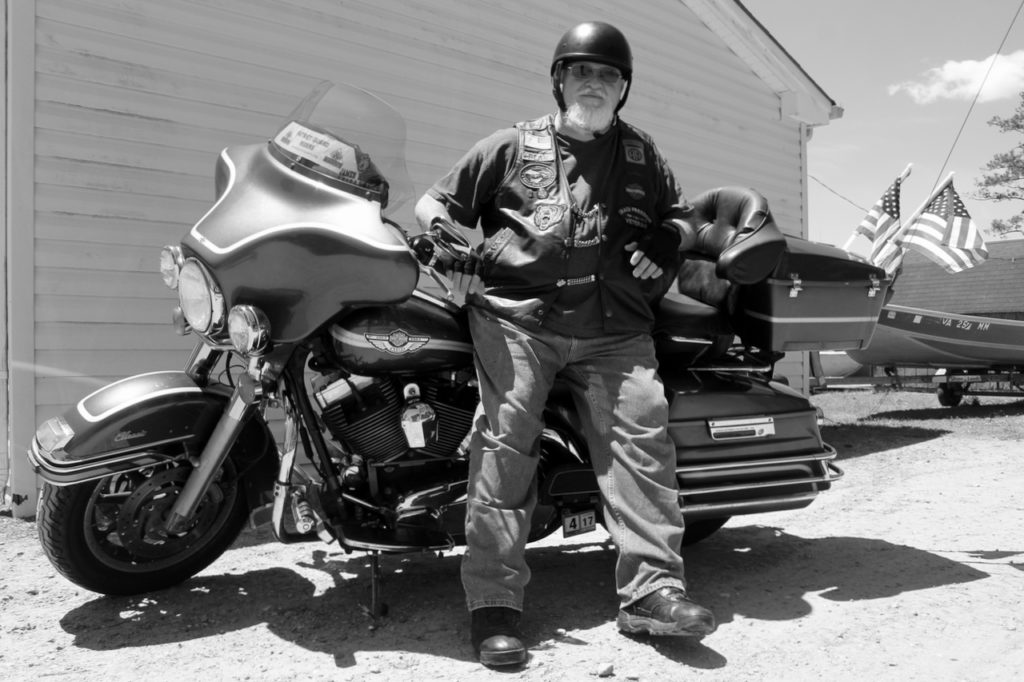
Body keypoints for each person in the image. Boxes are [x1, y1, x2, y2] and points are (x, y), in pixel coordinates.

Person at [414, 21, 716, 668]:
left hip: (616, 331)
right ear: (558, 80)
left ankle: (651, 594)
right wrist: (443, 240)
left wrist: (670, 236)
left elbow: (683, 216)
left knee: (643, 440)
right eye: (581, 71)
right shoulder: (508, 146)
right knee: (506, 439)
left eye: (608, 75)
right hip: (520, 321)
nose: (594, 84)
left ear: (624, 87)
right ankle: (493, 602)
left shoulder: (642, 154)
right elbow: (432, 204)